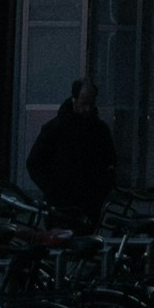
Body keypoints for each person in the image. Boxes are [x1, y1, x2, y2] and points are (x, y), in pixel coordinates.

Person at [26, 76, 119, 227]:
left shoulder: (98, 130)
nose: (87, 108)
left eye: (90, 103)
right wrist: (53, 190)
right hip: (65, 204)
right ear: (74, 100)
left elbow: (110, 162)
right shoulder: (57, 128)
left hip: (83, 204)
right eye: (84, 103)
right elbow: (34, 162)